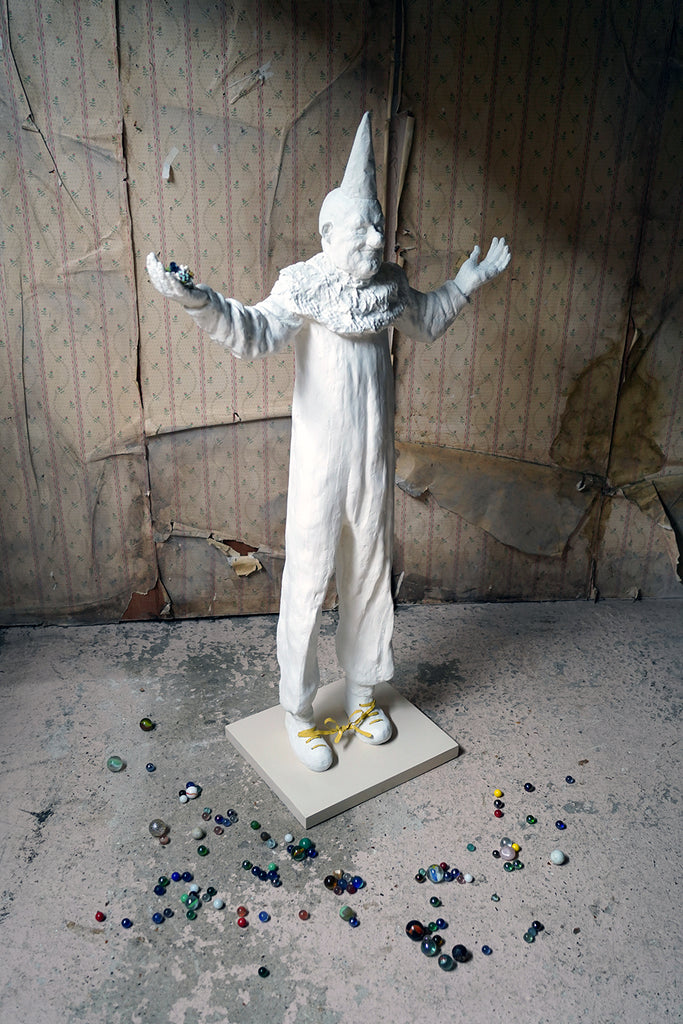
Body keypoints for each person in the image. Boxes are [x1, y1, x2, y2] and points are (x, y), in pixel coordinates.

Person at [147, 113, 510, 772]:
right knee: (309, 579)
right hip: (320, 467)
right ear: (326, 234)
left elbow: (427, 319)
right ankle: (298, 711)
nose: (376, 237)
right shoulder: (305, 283)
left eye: (379, 225)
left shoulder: (389, 285)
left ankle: (364, 694)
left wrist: (467, 282)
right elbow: (253, 331)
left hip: (372, 462)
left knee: (369, 572)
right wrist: (200, 301)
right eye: (362, 227)